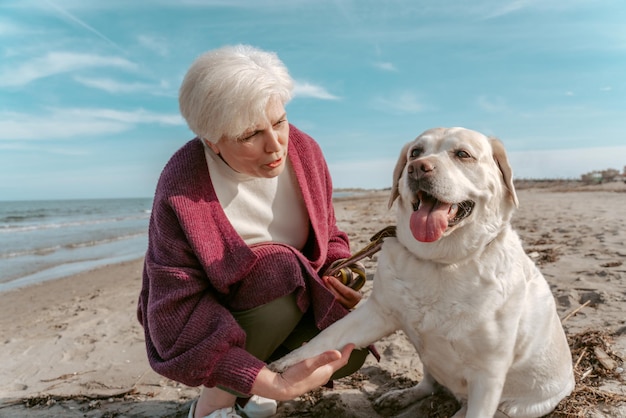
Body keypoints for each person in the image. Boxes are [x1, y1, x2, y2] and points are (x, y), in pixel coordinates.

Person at [137, 44, 372, 418]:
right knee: (276, 265)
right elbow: (174, 317)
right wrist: (276, 385)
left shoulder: (305, 152)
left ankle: (247, 392)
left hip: (294, 305)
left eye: (279, 122)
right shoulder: (181, 187)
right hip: (221, 323)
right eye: (250, 134)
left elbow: (330, 236)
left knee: (352, 350)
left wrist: (345, 270)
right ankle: (214, 403)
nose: (276, 144)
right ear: (211, 140)